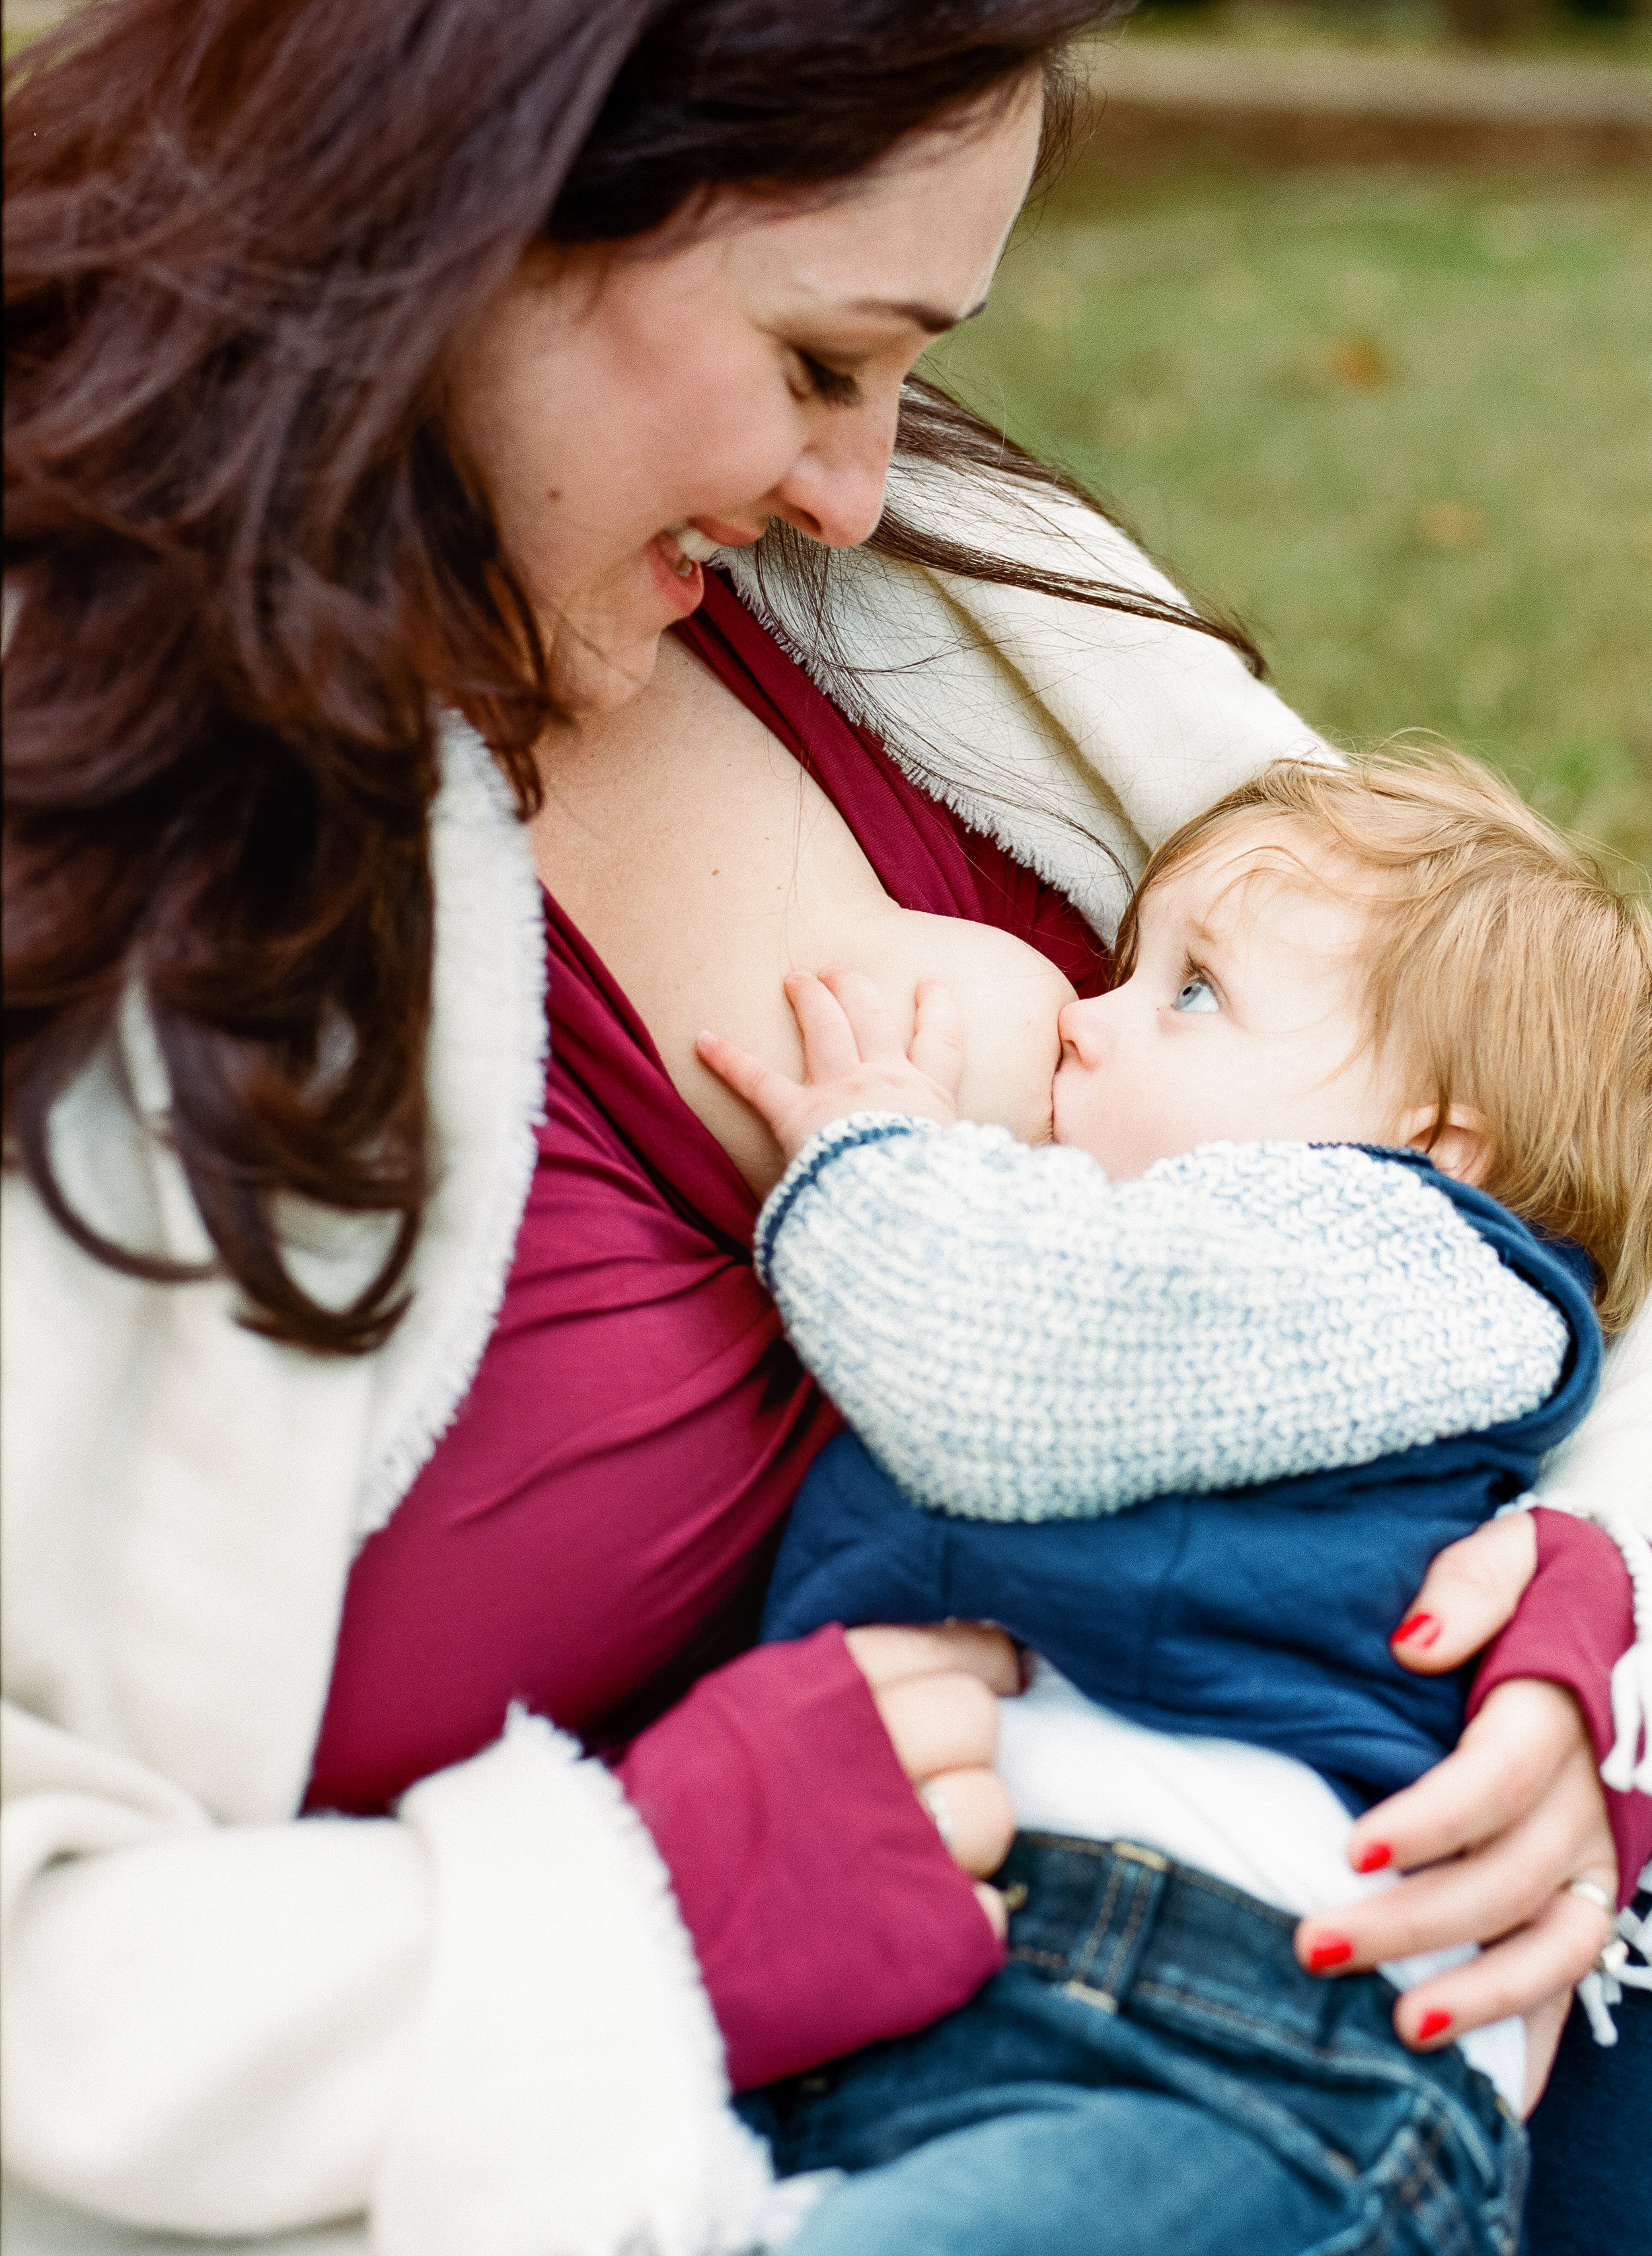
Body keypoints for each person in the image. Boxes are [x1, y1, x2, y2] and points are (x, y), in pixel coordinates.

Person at [3, 3, 1647, 2250]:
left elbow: (1505, 1119)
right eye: (816, 358)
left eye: (903, 363)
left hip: (1392, 1985)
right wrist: (610, 1925)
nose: (860, 478)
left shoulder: (897, 591)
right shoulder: (84, 822)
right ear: (475, 201)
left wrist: (1578, 1619)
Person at [695, 753, 1651, 2250]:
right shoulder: (1256, 1291)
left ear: (1431, 1141)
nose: (1085, 1019)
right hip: (986, 1992)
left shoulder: (1409, 1260)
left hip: (1240, 2031)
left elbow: (983, 1367)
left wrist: (866, 1153)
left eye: (1188, 990)